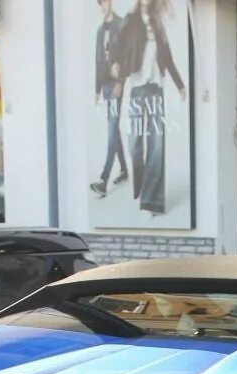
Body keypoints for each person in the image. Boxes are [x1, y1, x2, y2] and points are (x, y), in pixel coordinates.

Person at [115, 0, 186, 216]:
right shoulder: (131, 21)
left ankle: (151, 203)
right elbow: (119, 51)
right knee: (135, 144)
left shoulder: (157, 25)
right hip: (137, 87)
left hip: (156, 90)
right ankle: (140, 184)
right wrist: (119, 80)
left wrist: (180, 85)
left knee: (157, 145)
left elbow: (168, 57)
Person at [91, 0, 129, 198]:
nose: (102, 6)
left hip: (115, 85)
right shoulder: (99, 31)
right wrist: (96, 89)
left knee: (112, 128)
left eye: (104, 2)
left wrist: (121, 81)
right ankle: (123, 169)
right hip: (105, 86)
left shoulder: (121, 25)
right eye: (99, 3)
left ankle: (104, 179)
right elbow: (98, 61)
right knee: (114, 128)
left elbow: (126, 56)